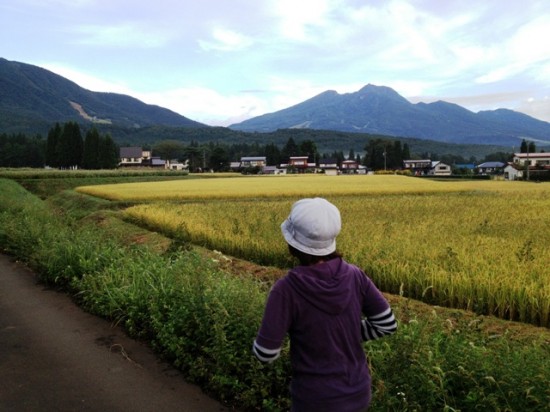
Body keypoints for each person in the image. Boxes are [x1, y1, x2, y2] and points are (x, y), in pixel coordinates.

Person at [253, 197, 397, 412]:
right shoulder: (355, 275)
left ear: (292, 245)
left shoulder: (286, 289)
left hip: (315, 400)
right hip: (358, 393)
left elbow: (265, 353)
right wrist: (344, 332)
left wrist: (317, 335)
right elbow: (387, 324)